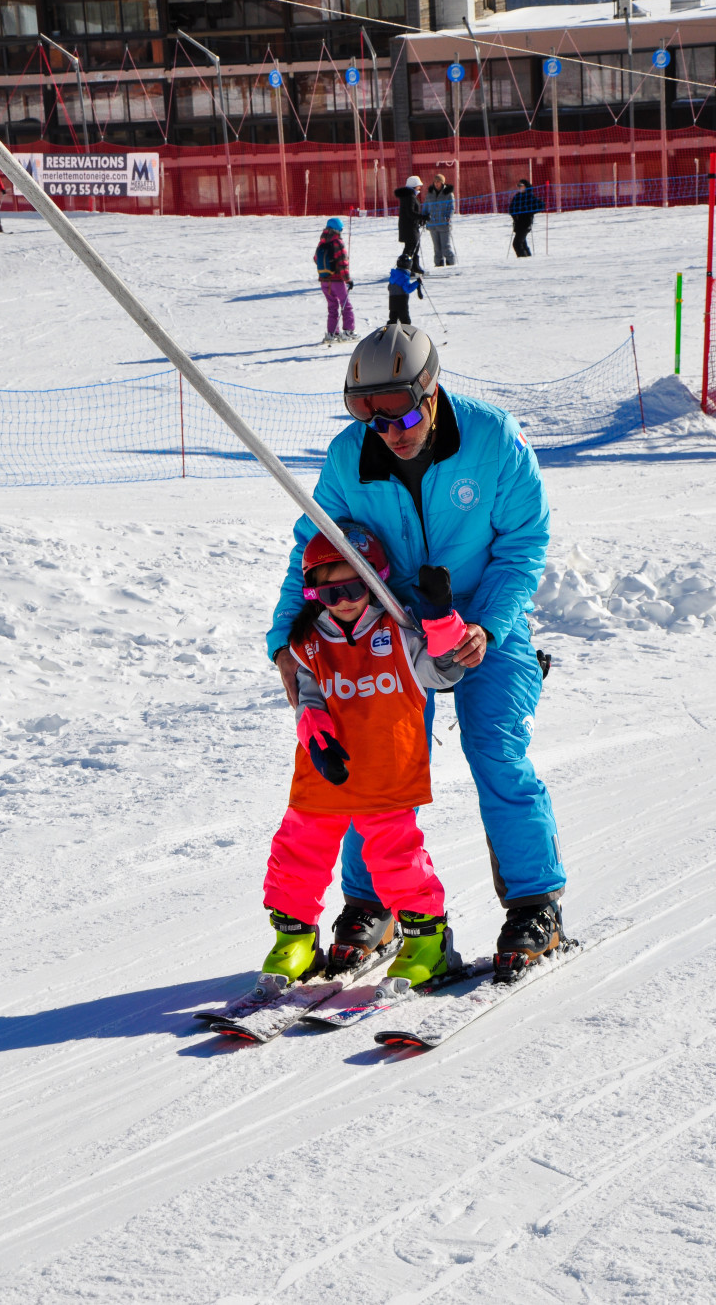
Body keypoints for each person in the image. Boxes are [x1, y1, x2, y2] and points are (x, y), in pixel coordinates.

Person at [268, 323, 566, 968]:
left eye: (402, 412)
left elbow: (523, 547)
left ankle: (534, 901)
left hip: (488, 620)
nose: (391, 432)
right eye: (372, 419)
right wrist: (282, 640)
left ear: (431, 391)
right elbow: (313, 546)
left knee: (496, 751)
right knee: (370, 765)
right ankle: (369, 903)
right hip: (393, 634)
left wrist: (485, 625)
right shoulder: (351, 456)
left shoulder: (494, 441)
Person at [262, 525, 465, 986]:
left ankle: (426, 945)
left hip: (386, 773)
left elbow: (444, 672)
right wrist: (318, 740)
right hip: (324, 775)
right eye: (329, 593)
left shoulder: (399, 629)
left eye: (354, 586)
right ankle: (293, 940)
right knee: (297, 853)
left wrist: (439, 618)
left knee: (397, 861)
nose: (344, 600)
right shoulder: (309, 641)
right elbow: (308, 699)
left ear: (376, 578)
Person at [314, 216, 356, 344]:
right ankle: (349, 331)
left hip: (324, 281)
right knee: (346, 305)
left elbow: (316, 259)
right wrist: (347, 280)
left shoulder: (322, 242)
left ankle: (332, 333)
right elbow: (343, 263)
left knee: (332, 307)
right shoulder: (337, 242)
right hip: (337, 281)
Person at [393, 175, 427, 274]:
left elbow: (411, 213)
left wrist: (420, 220)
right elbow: (410, 213)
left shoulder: (409, 196)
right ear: (414, 186)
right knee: (411, 248)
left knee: (413, 247)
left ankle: (413, 266)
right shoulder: (410, 197)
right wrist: (422, 217)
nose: (420, 188)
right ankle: (406, 267)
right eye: (418, 186)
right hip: (409, 228)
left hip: (410, 226)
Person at [423, 172, 457, 266]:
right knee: (437, 249)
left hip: (443, 224)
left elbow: (451, 207)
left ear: (442, 183)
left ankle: (451, 264)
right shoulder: (430, 194)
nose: (436, 183)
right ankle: (438, 264)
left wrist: (448, 217)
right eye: (435, 182)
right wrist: (423, 217)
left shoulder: (448, 194)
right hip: (432, 224)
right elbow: (425, 207)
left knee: (446, 247)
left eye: (438, 182)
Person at [509, 178, 544, 258]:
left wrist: (529, 212)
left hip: (526, 223)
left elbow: (541, 205)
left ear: (526, 186)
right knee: (522, 243)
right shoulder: (517, 196)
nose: (519, 187)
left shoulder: (530, 197)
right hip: (518, 223)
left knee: (517, 243)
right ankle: (528, 258)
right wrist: (515, 215)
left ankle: (523, 259)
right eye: (518, 186)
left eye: (521, 186)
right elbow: (511, 209)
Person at [387, 253, 423, 325]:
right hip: (402, 302)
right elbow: (407, 289)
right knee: (405, 322)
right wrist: (417, 283)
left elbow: (389, 287)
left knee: (392, 320)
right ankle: (406, 335)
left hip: (392, 302)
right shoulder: (404, 277)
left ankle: (388, 334)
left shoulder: (393, 275)